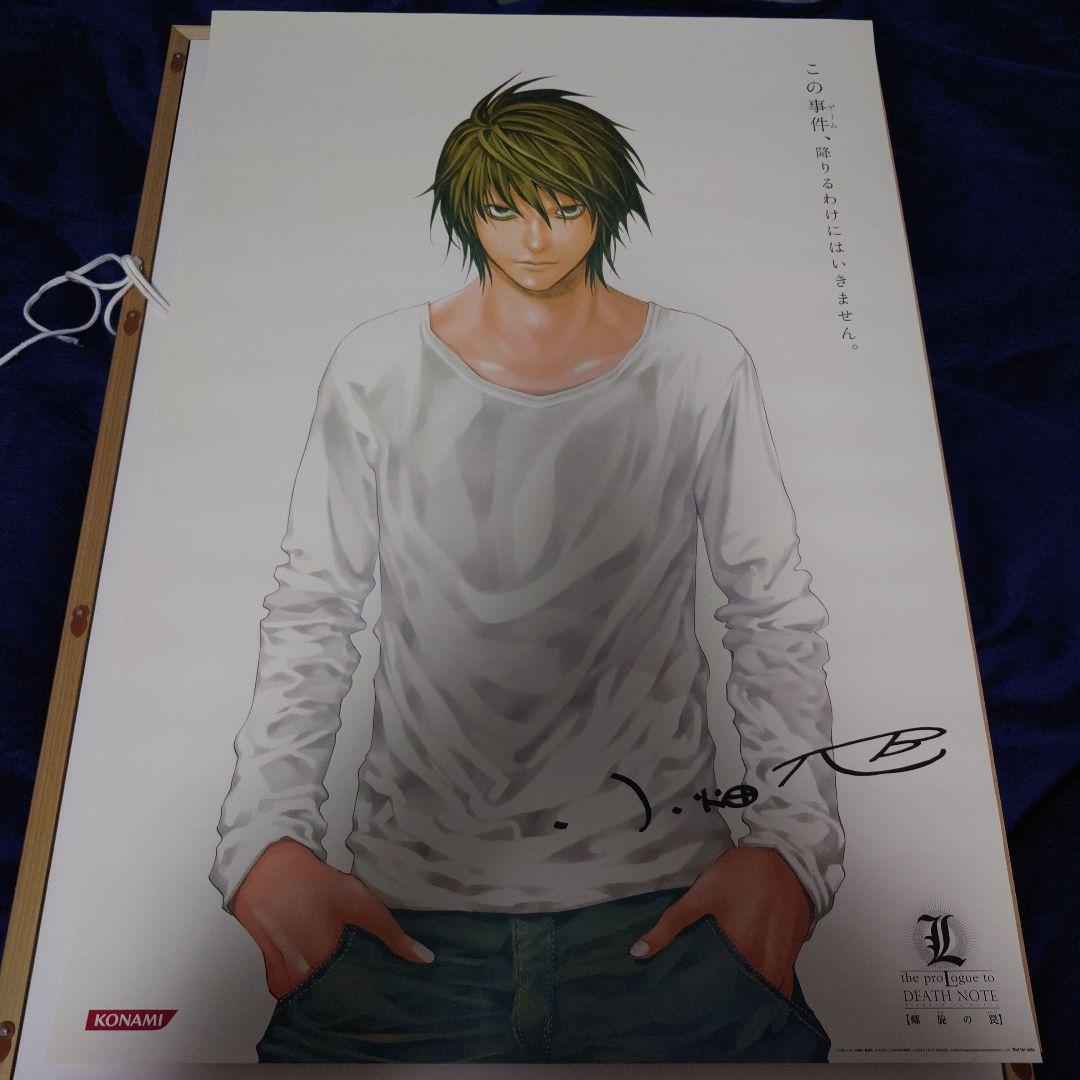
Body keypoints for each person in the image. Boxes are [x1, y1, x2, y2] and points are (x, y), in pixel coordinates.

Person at [211, 77, 845, 1064]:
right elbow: (311, 611)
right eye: (505, 208)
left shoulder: (699, 364)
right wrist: (260, 847)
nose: (536, 236)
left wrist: (795, 853)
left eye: (564, 205)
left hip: (668, 909)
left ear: (606, 206)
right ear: (466, 212)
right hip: (404, 914)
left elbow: (769, 610)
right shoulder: (377, 367)